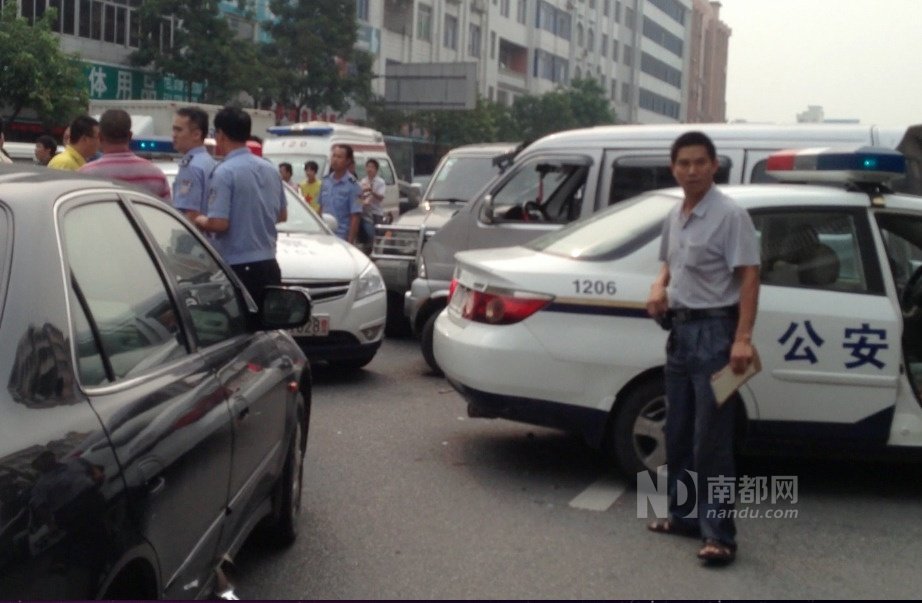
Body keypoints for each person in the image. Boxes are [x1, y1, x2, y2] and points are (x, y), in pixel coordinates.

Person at [644, 131, 760, 567]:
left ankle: (720, 537)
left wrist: (742, 338)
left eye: (699, 162)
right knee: (677, 433)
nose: (691, 170)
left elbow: (749, 275)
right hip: (680, 332)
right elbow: (668, 264)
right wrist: (659, 288)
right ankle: (683, 516)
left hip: (716, 333)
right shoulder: (675, 214)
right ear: (673, 168)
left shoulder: (730, 215)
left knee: (711, 440)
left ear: (714, 166)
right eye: (683, 163)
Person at [194, 106, 287, 306]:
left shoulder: (224, 172)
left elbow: (219, 224)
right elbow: (282, 215)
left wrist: (199, 219)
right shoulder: (270, 169)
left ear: (220, 134)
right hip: (270, 264)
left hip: (239, 267)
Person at [78, 109, 171, 201]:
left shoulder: (85, 175)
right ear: (130, 136)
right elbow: (167, 213)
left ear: (100, 137)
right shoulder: (156, 175)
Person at [171, 107, 217, 219]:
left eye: (179, 130)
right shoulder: (209, 162)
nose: (174, 135)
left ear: (196, 134)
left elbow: (189, 214)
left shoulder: (191, 167)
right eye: (173, 130)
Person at [318, 144, 362, 243]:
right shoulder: (325, 181)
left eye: (339, 157)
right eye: (334, 156)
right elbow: (320, 208)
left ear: (348, 161)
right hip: (324, 235)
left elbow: (356, 216)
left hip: (342, 237)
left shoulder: (355, 185)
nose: (335, 160)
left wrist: (350, 241)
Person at [359, 158, 386, 245]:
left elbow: (381, 197)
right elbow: (360, 195)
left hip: (376, 212)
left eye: (372, 167)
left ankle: (376, 248)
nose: (370, 169)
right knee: (368, 234)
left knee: (377, 234)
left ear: (376, 170)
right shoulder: (363, 181)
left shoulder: (380, 182)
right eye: (368, 167)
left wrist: (372, 191)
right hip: (366, 212)